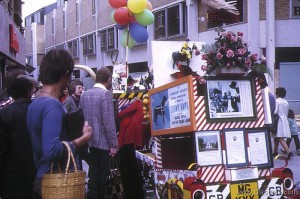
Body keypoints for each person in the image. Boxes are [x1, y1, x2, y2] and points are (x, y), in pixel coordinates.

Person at [27, 49, 92, 199]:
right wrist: (83, 138)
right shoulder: (53, 105)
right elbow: (51, 150)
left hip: (41, 178)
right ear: (66, 74)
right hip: (57, 182)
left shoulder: (35, 103)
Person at [79, 67, 118, 199]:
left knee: (93, 173)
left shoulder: (84, 94)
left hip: (88, 141)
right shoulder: (105, 94)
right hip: (103, 142)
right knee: (103, 175)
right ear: (109, 79)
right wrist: (113, 144)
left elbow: (79, 117)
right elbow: (108, 121)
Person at [0, 76, 37, 199]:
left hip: (11, 173)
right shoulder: (37, 110)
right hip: (36, 169)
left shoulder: (5, 113)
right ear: (28, 92)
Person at [117, 97, 145, 199]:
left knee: (128, 171)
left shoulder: (137, 103)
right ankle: (134, 194)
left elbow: (119, 114)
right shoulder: (132, 113)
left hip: (128, 142)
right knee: (132, 170)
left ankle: (132, 194)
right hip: (128, 143)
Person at [272, 87, 292, 159]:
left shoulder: (277, 101)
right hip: (284, 119)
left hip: (278, 120)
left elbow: (275, 111)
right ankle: (275, 151)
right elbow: (286, 112)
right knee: (277, 137)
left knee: (279, 137)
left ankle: (288, 151)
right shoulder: (286, 102)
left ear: (277, 93)